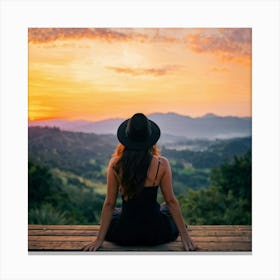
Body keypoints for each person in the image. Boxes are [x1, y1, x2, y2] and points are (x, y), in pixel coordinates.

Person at [83, 113, 197, 251]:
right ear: (149, 139)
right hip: (155, 233)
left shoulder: (116, 164)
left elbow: (109, 204)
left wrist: (99, 240)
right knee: (165, 207)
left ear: (127, 138)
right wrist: (185, 237)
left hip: (125, 234)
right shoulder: (162, 164)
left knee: (118, 212)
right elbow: (171, 201)